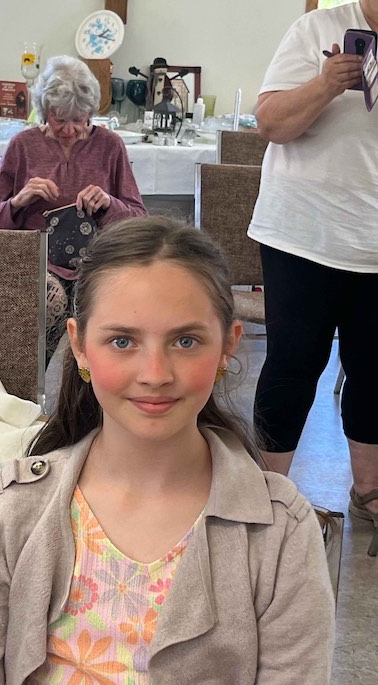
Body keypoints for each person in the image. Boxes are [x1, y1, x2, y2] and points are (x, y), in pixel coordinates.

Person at [0, 215, 335, 684]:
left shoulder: (281, 533)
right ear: (80, 346)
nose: (155, 374)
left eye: (185, 341)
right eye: (122, 341)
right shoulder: (11, 510)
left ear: (228, 345)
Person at [248, 0, 378, 555]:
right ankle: (262, 495)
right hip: (302, 234)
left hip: (374, 241)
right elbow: (271, 124)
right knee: (294, 364)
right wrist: (326, 83)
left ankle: (369, 493)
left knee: (374, 371)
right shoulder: (316, 28)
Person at [0, 55, 146, 360]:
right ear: (44, 111)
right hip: (37, 261)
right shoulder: (23, 145)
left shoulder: (110, 146)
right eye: (59, 119)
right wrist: (18, 201)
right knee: (49, 300)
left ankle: (88, 383)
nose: (69, 129)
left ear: (91, 112)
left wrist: (109, 204)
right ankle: (30, 381)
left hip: (95, 263)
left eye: (79, 119)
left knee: (115, 311)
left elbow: (140, 221)